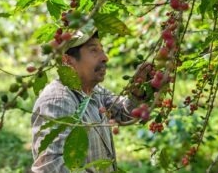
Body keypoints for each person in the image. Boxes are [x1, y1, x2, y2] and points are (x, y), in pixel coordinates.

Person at [31, 29, 146, 173]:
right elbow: (52, 167)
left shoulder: (95, 91)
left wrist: (137, 92)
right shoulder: (58, 101)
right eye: (94, 51)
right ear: (68, 61)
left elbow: (124, 113)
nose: (105, 57)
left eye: (102, 50)